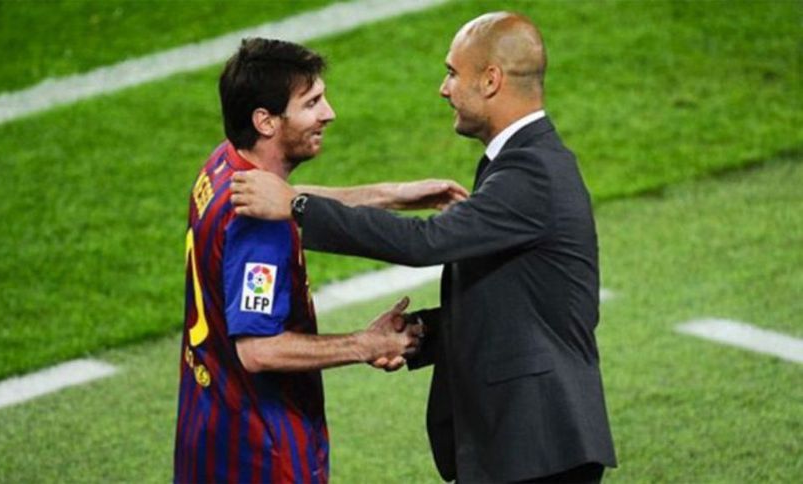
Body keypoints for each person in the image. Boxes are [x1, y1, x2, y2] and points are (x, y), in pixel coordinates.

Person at [230, 12, 618, 483]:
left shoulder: (531, 172)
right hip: (527, 442)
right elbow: (518, 300)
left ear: (491, 80)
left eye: (453, 73)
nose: (443, 88)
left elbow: (424, 242)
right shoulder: (520, 161)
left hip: (539, 443)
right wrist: (419, 335)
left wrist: (297, 206)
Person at [173, 37, 464, 483]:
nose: (329, 113)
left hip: (208, 427)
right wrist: (365, 344)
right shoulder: (260, 224)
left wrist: (392, 195)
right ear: (265, 121)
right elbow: (259, 350)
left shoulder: (224, 166)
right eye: (311, 103)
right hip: (262, 452)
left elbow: (289, 199)